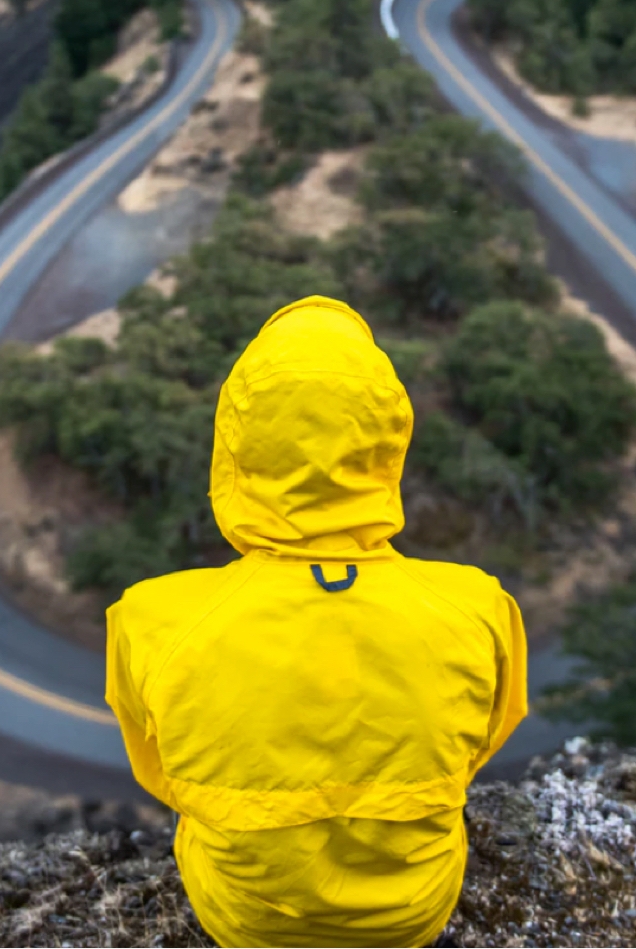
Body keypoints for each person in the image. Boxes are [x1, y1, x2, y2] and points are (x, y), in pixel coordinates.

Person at [105, 295, 528, 948]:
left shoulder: (150, 619)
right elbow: (478, 747)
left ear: (234, 448)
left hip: (245, 920)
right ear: (388, 443)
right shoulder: (479, 607)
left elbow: (162, 773)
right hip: (413, 915)